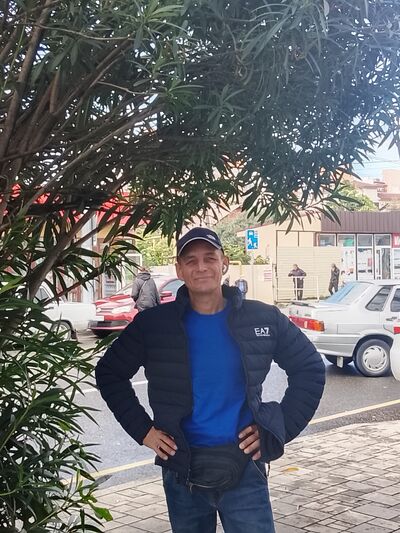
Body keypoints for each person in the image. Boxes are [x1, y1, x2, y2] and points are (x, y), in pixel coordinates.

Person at [96, 227, 325, 533]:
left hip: (245, 467)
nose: (201, 266)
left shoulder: (263, 318)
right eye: (190, 260)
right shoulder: (153, 325)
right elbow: (109, 373)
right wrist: (144, 431)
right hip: (182, 469)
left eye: (209, 258)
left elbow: (310, 368)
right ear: (179, 269)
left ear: (224, 262)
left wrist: (278, 428)